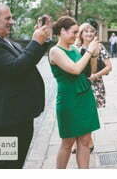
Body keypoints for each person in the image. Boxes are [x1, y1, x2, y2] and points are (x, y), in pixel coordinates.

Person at [0, 3, 52, 168]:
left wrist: (41, 40)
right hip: (8, 117)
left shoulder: (3, 40)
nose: (12, 22)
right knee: (6, 166)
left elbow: (27, 61)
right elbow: (16, 69)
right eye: (8, 18)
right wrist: (35, 42)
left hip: (20, 114)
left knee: (17, 164)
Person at [48, 16, 102, 168]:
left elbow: (90, 72)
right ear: (62, 31)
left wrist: (94, 54)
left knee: (85, 141)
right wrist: (89, 50)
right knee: (68, 142)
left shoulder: (73, 48)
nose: (77, 35)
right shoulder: (55, 51)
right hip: (69, 100)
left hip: (85, 96)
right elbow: (75, 69)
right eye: (74, 32)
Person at [73, 22, 112, 154]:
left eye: (92, 31)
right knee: (78, 113)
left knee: (88, 114)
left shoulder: (99, 47)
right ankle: (80, 142)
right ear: (81, 34)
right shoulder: (75, 48)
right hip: (79, 85)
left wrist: (95, 76)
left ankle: (87, 141)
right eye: (86, 31)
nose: (89, 33)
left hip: (95, 85)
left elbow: (109, 67)